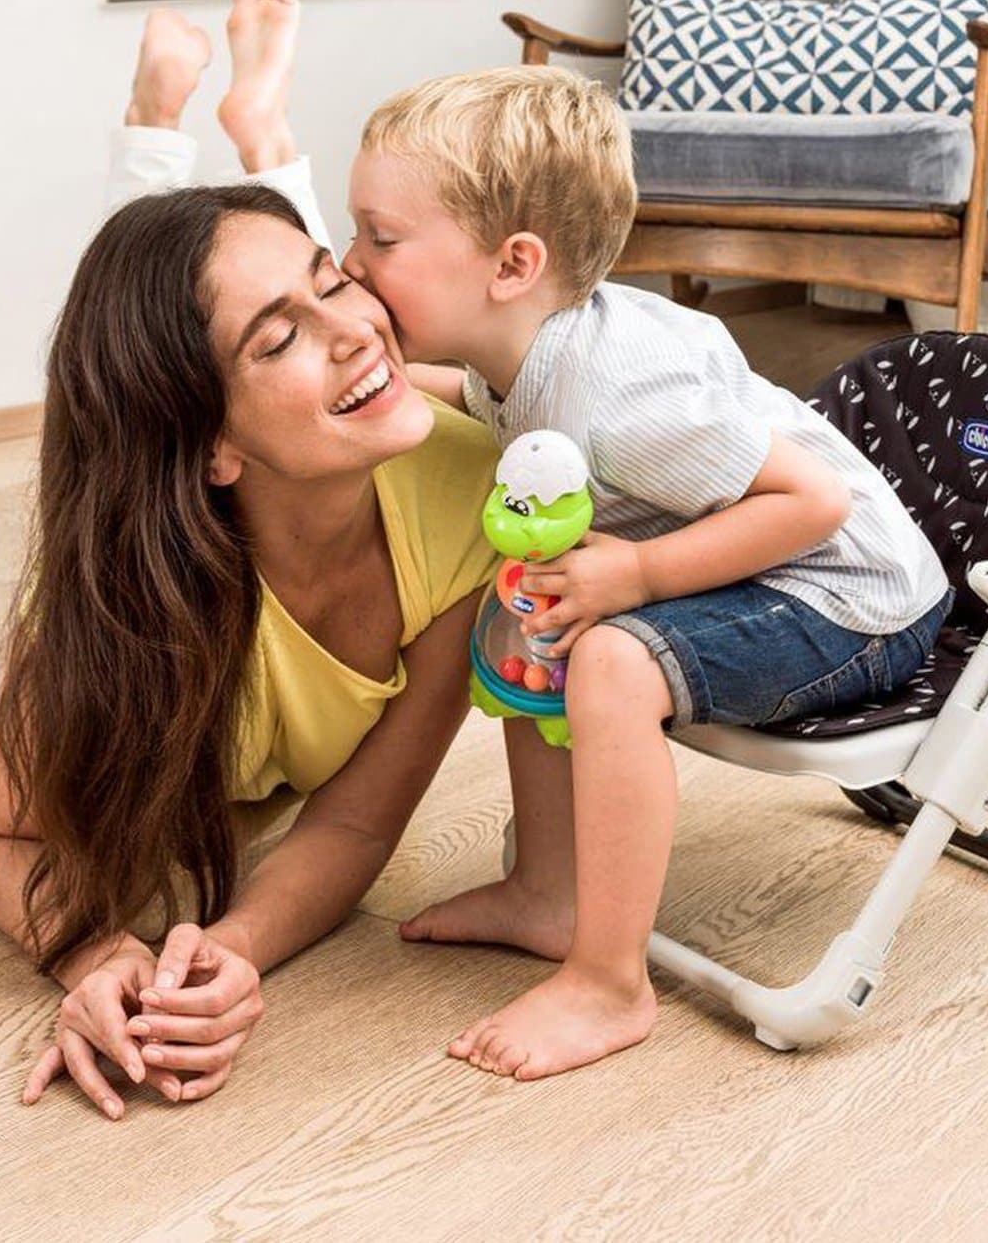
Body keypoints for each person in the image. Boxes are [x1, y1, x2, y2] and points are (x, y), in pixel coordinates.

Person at [0, 0, 510, 1119]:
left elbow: (359, 818)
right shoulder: (112, 592)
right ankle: (153, 115)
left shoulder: (472, 502)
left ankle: (229, 117)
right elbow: (4, 836)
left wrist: (234, 952)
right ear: (210, 445)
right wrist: (95, 953)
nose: (357, 329)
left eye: (333, 283)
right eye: (282, 339)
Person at [342, 66, 953, 1080]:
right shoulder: (523, 349)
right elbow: (486, 398)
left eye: (382, 239)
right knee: (532, 616)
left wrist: (637, 577)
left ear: (512, 264)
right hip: (768, 560)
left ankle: (608, 982)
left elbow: (813, 505)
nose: (351, 261)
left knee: (609, 662)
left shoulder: (624, 390)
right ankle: (549, 891)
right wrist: (376, 374)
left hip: (850, 594)